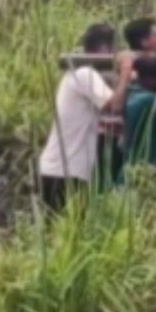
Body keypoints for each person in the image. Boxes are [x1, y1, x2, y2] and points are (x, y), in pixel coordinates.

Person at [38, 24, 133, 212]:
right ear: (104, 49)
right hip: (64, 171)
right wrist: (126, 71)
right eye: (116, 48)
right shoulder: (84, 74)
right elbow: (115, 105)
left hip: (66, 170)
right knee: (62, 231)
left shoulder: (81, 74)